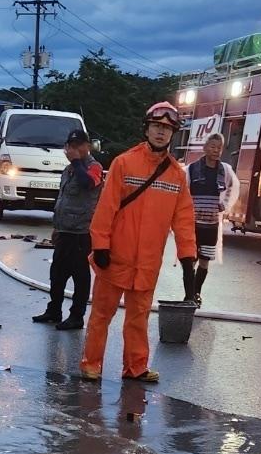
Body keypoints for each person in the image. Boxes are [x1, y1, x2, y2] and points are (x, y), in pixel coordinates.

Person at [80, 102, 195, 384]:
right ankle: (91, 364)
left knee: (138, 318)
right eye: (157, 126)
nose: (160, 132)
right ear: (147, 128)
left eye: (166, 129)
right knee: (101, 316)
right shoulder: (124, 163)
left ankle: (135, 367)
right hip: (116, 257)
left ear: (173, 134)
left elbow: (183, 219)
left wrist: (188, 257)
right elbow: (105, 209)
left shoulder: (177, 175)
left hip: (147, 263)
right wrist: (101, 245)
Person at [33, 128, 103, 330]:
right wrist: (56, 227)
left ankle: (76, 316)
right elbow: (62, 200)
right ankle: (54, 310)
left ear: (87, 146)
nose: (74, 149)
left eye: (78, 145)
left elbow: (87, 183)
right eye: (71, 146)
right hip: (64, 230)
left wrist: (76, 162)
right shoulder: (68, 170)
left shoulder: (94, 167)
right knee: (57, 274)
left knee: (80, 276)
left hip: (82, 232)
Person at [185, 132, 240, 306]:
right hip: (192, 224)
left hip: (211, 224)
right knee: (189, 260)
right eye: (212, 147)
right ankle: (188, 294)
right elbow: (183, 191)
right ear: (205, 148)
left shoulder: (225, 170)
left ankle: (197, 292)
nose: (216, 151)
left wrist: (225, 204)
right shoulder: (191, 169)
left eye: (219, 148)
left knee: (204, 261)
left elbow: (234, 187)